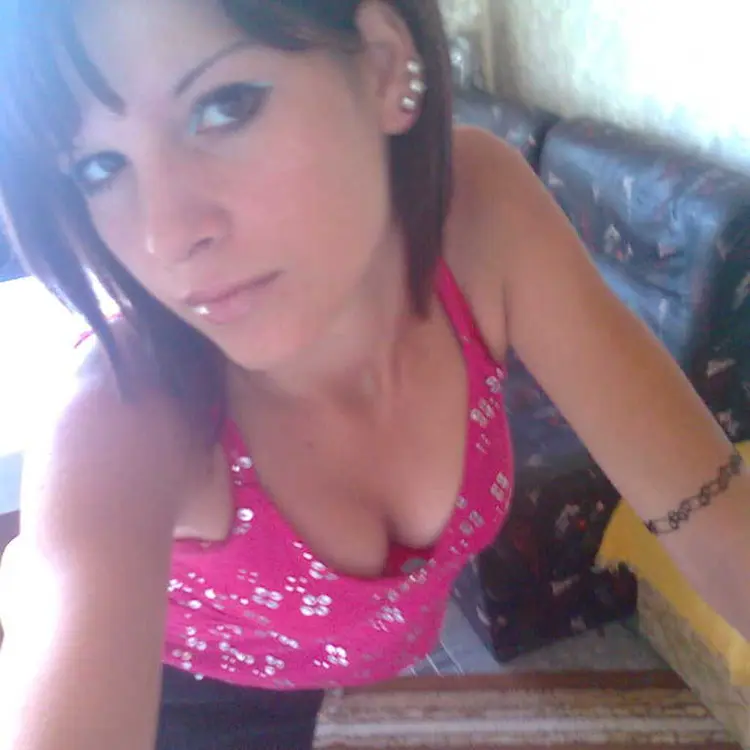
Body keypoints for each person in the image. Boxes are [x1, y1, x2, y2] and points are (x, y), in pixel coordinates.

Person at [0, 1, 747, 748]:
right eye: (99, 167)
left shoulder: (478, 213)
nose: (166, 236)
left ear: (385, 65)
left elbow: (702, 503)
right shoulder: (119, 416)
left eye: (223, 107)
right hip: (194, 705)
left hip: (338, 679)